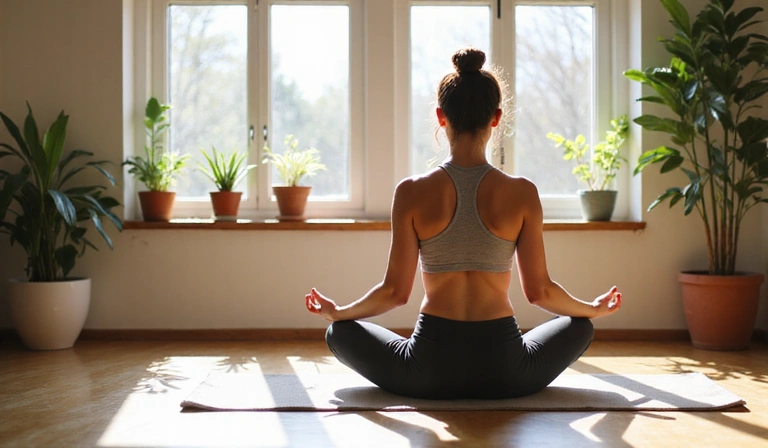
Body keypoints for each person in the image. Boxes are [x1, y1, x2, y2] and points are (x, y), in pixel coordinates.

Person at [304, 47, 622, 400]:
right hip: (508, 372)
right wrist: (592, 308)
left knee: (339, 332)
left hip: (427, 372)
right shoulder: (522, 193)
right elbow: (540, 293)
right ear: (496, 117)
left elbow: (395, 293)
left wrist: (340, 312)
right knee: (581, 326)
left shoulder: (411, 193)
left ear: (442, 117)